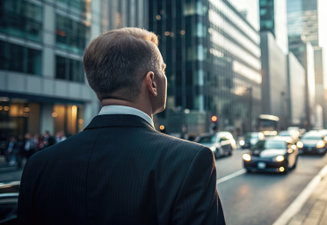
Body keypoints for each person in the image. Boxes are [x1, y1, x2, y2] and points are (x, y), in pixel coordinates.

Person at [18, 28, 225, 225]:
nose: (165, 76)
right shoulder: (190, 161)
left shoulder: (39, 165)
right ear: (152, 82)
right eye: (162, 69)